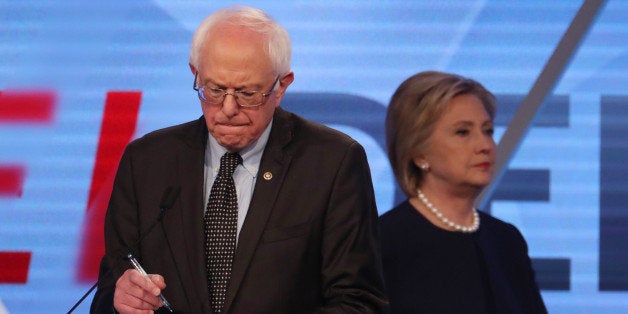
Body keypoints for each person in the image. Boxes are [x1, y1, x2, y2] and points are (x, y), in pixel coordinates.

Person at [90, 5, 387, 313]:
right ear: (196, 74)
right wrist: (118, 299)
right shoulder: (148, 162)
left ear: (281, 86)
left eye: (247, 93)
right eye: (215, 89)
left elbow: (359, 302)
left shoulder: (332, 163)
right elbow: (108, 288)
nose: (228, 108)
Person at [380, 71, 547, 314]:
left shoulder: (506, 241)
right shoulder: (382, 244)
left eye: (488, 130)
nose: (485, 146)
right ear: (419, 153)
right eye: (463, 132)